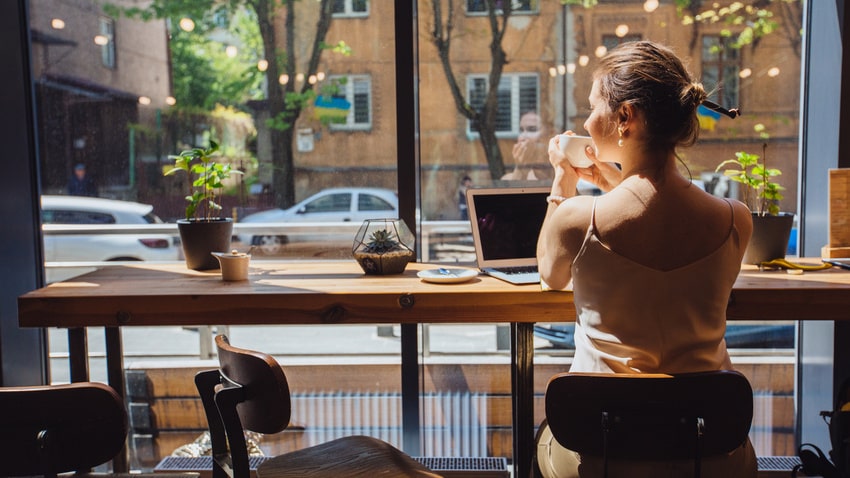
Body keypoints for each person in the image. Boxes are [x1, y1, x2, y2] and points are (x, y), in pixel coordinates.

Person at [534, 41, 755, 477]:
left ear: (625, 117)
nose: (585, 119)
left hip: (602, 452)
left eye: (594, 104)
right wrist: (613, 184)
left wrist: (562, 182)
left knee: (540, 439)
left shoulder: (580, 218)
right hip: (707, 450)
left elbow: (550, 273)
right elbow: (660, 224)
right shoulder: (735, 221)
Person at [501, 111, 552, 181]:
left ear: (548, 136)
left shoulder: (562, 173)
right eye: (521, 130)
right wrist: (521, 169)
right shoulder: (508, 179)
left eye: (532, 129)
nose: (522, 137)